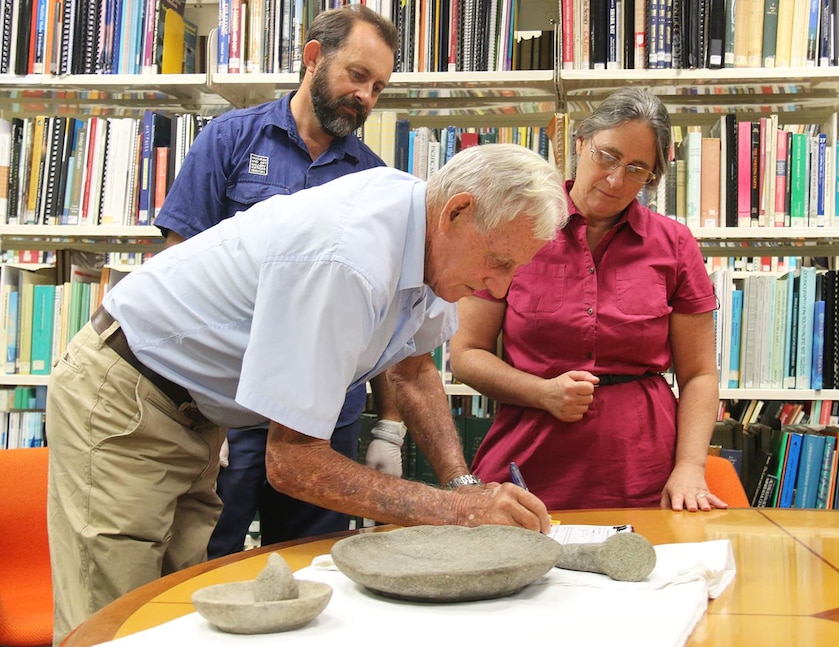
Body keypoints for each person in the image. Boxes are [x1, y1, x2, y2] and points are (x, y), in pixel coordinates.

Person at [46, 142, 569, 643]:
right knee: (115, 616)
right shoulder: (348, 257)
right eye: (499, 262)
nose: (499, 289)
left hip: (196, 413)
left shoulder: (432, 242)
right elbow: (294, 463)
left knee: (172, 614)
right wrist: (458, 513)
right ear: (457, 211)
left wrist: (461, 484)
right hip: (126, 393)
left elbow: (414, 371)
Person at [153, 5, 407, 558]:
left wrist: (389, 424)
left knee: (312, 569)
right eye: (357, 76)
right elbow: (176, 272)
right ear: (314, 58)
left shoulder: (373, 181)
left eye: (379, 87)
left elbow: (383, 316)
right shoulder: (230, 140)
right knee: (204, 566)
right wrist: (187, 405)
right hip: (230, 410)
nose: (365, 96)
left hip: (324, 420)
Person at [449, 88, 725, 514]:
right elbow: (466, 353)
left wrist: (690, 466)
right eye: (608, 157)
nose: (616, 180)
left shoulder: (674, 244)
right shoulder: (516, 226)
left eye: (637, 170)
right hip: (529, 462)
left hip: (642, 470)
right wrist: (541, 392)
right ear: (580, 143)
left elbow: (700, 374)